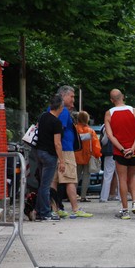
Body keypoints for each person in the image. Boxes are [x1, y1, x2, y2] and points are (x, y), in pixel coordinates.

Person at [51, 85, 93, 218]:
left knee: (54, 180)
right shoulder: (62, 111)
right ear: (63, 96)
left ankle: (55, 209)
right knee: (70, 179)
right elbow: (59, 131)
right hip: (65, 150)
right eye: (72, 96)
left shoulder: (51, 109)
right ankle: (75, 209)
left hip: (56, 149)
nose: (73, 100)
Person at [104, 88, 135, 220]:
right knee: (132, 176)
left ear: (111, 100)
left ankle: (125, 210)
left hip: (120, 152)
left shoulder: (109, 113)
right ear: (123, 97)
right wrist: (132, 148)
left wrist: (122, 149)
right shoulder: (134, 111)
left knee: (122, 178)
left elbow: (110, 135)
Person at [35, 94, 65, 221]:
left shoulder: (43, 116)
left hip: (39, 152)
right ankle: (46, 213)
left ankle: (40, 211)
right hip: (50, 155)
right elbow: (57, 143)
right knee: (46, 185)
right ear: (61, 107)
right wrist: (62, 160)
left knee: (42, 184)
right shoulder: (56, 122)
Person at [75, 111, 101, 202]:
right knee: (86, 175)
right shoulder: (90, 131)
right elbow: (96, 145)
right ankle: (83, 196)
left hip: (76, 156)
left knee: (76, 176)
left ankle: (73, 195)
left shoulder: (75, 129)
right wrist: (97, 155)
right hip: (88, 156)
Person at [99, 124, 120, 202]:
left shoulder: (105, 126)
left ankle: (104, 197)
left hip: (109, 153)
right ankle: (120, 196)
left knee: (107, 175)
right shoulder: (120, 125)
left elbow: (104, 141)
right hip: (120, 152)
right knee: (120, 176)